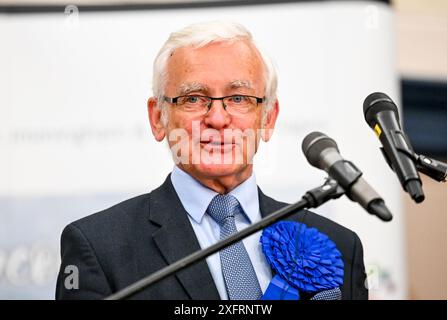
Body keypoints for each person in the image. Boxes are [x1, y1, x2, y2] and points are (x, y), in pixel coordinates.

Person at [56, 21, 368, 300]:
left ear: (268, 118)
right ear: (158, 118)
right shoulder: (99, 247)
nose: (218, 118)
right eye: (193, 98)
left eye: (238, 98)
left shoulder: (339, 247)